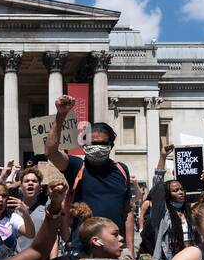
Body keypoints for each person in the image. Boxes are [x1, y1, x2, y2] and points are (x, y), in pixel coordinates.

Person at [43, 95, 136, 250]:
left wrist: (130, 250)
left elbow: (127, 213)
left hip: (116, 248)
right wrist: (61, 115)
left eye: (102, 143)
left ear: (111, 145)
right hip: (84, 248)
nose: (97, 146)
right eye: (92, 143)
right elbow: (51, 152)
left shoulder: (121, 169)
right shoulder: (76, 166)